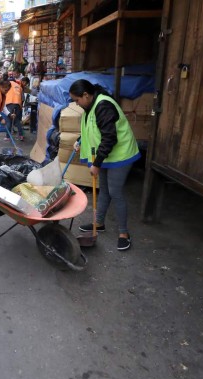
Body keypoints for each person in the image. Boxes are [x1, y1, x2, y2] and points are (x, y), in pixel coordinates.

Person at [69, 79, 140, 251]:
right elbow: (93, 129)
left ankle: (124, 233)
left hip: (120, 155)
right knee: (104, 190)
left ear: (86, 95)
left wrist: (97, 163)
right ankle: (99, 223)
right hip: (107, 155)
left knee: (115, 192)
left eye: (77, 100)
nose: (76, 104)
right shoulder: (90, 106)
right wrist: (80, 140)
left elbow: (109, 138)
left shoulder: (103, 106)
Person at [5, 73, 24, 139]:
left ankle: (8, 137)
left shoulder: (7, 85)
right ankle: (21, 135)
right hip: (18, 104)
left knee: (9, 120)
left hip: (9, 104)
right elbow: (22, 98)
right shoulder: (19, 86)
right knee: (17, 120)